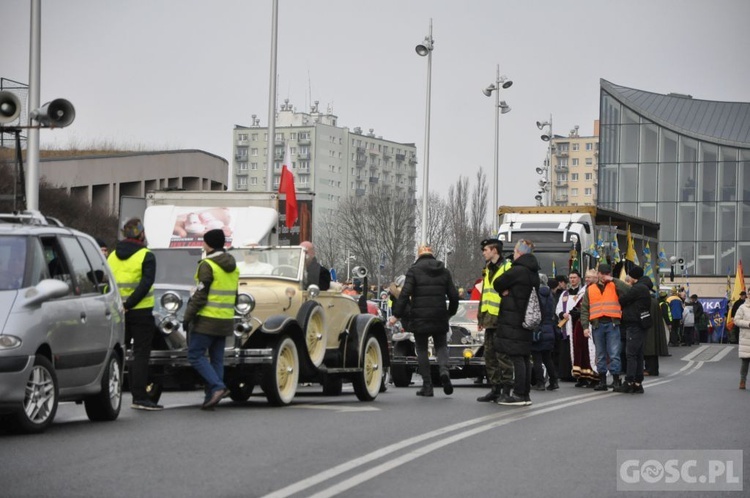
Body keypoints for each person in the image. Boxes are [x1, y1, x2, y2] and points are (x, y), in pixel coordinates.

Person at [390, 245, 459, 397]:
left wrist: (396, 315)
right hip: (439, 315)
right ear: (432, 255)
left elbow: (404, 294)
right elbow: (454, 295)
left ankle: (427, 386)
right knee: (441, 346)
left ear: (419, 256)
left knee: (421, 349)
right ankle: (443, 371)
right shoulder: (444, 271)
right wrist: (450, 313)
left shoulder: (414, 271)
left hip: (419, 316)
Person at [107, 218, 161, 411]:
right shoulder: (146, 255)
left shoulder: (112, 255)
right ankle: (139, 397)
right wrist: (129, 305)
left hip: (116, 311)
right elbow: (145, 284)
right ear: (141, 234)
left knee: (116, 354)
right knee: (140, 355)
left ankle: (110, 395)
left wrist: (119, 306)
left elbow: (108, 282)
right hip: (140, 312)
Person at [183, 229, 239, 409]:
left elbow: (200, 295)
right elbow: (236, 296)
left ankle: (217, 387)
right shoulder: (233, 266)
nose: (202, 245)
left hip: (207, 319)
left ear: (209, 244)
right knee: (216, 359)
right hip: (225, 319)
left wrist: (187, 316)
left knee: (195, 355)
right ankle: (211, 397)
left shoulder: (207, 265)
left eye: (204, 242)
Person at [493, 239, 541, 407]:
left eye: (514, 251)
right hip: (526, 319)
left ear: (520, 252)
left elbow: (497, 282)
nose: (513, 253)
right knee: (524, 357)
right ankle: (525, 394)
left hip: (513, 319)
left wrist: (504, 290)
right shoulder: (533, 272)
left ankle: (519, 394)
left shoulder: (517, 271)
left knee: (516, 357)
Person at [580, 263, 630, 392]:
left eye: (607, 274)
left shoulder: (615, 285)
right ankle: (602, 380)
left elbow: (628, 290)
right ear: (599, 274)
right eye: (603, 274)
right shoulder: (590, 289)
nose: (605, 277)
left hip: (612, 324)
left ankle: (616, 380)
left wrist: (614, 280)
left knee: (614, 354)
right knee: (600, 354)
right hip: (597, 325)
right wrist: (585, 326)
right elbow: (585, 309)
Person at [475, 238, 513, 402]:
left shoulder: (507, 267)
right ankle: (495, 388)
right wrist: (480, 317)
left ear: (494, 251)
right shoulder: (487, 268)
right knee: (489, 356)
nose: (484, 253)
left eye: (486, 250)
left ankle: (506, 389)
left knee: (503, 356)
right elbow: (485, 294)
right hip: (489, 318)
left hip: (502, 318)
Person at [615, 265, 653, 393]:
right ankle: (637, 383)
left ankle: (629, 381)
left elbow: (623, 299)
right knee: (638, 354)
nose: (628, 278)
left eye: (629, 276)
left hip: (634, 324)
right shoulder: (643, 287)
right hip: (640, 324)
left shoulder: (638, 288)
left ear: (633, 277)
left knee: (631, 354)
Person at [557, 270, 596, 386]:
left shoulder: (585, 291)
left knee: (590, 351)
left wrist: (577, 312)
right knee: (578, 351)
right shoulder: (565, 294)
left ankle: (594, 376)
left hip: (588, 324)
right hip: (573, 325)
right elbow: (559, 307)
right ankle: (581, 376)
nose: (572, 280)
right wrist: (562, 314)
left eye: (574, 277)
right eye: (570, 277)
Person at [531, 273, 558, 391]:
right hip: (549, 328)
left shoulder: (535, 294)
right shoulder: (550, 295)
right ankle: (554, 381)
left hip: (539, 329)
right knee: (547, 358)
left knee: (537, 357)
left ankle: (540, 382)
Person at [731, 296, 750, 389]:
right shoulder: (743, 307)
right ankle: (742, 380)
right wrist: (748, 324)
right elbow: (736, 320)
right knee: (745, 362)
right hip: (746, 338)